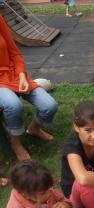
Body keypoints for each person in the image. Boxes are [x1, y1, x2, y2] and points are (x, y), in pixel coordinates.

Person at [0, 16, 58, 161]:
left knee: (49, 106)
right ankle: (15, 142)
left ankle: (34, 128)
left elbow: (15, 53)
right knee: (13, 105)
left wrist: (21, 75)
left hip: (13, 75)